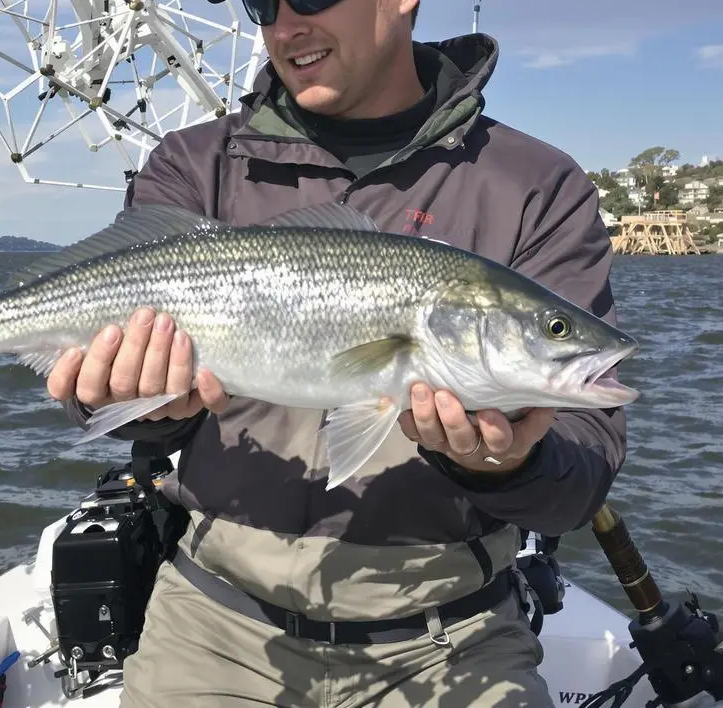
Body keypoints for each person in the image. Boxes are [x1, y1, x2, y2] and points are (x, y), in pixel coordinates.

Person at [45, 0, 627, 702]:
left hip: (454, 638)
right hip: (215, 621)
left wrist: (508, 462)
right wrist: (134, 402)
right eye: (262, 3)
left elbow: (579, 480)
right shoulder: (193, 163)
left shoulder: (538, 184)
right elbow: (100, 399)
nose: (286, 26)